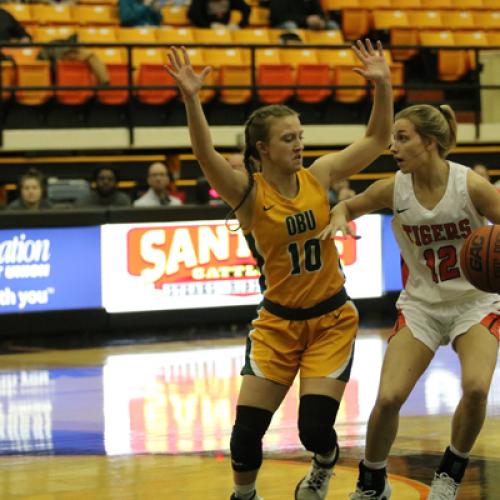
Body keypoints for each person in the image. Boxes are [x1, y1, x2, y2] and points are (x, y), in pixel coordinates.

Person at [165, 39, 392, 500]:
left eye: (300, 136)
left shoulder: (320, 175)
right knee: (245, 434)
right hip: (277, 325)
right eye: (289, 138)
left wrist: (382, 86)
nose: (299, 145)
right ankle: (243, 496)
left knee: (313, 429)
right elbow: (206, 155)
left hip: (329, 321)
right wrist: (192, 98)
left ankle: (324, 462)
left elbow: (374, 139)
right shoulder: (247, 194)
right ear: (263, 149)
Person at [321, 104, 500, 499]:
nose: (392, 146)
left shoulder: (469, 185)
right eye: (393, 139)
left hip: (475, 301)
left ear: (429, 143)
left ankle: (449, 475)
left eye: (402, 138)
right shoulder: (394, 188)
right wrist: (339, 218)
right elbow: (348, 205)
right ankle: (372, 482)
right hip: (421, 304)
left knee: (474, 388)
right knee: (388, 398)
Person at [0, 7, 109, 85]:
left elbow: (22, 33)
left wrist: (25, 38)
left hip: (10, 53)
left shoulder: (4, 14)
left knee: (86, 54)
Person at [269, 0, 338, 31]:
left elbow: (319, 13)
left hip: (306, 24)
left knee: (332, 25)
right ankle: (296, 53)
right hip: (281, 25)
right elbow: (278, 16)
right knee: (291, 25)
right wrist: (305, 19)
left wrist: (321, 21)